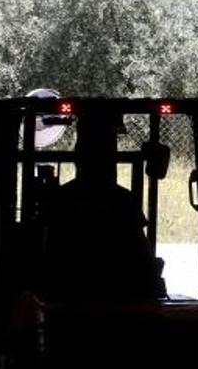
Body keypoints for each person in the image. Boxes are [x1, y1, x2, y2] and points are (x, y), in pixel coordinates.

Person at [38, 116, 159, 301]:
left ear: (78, 156)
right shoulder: (123, 198)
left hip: (69, 292)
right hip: (118, 293)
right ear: (111, 157)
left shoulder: (61, 198)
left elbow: (47, 253)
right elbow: (141, 251)